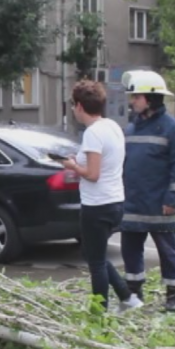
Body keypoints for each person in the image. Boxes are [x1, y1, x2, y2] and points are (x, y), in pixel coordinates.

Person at [61, 80, 143, 313]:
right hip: (115, 200)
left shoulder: (93, 133)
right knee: (93, 253)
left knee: (95, 262)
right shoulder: (112, 127)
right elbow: (107, 164)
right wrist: (79, 163)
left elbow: (93, 174)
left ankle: (99, 314)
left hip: (97, 205)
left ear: (79, 106)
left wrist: (71, 166)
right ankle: (128, 298)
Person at [119, 70, 175, 313]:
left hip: (162, 205)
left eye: (136, 97)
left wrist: (172, 199)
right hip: (133, 204)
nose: (132, 101)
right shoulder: (130, 130)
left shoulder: (174, 130)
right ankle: (133, 292)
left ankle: (174, 295)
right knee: (130, 250)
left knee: (168, 251)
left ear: (150, 98)